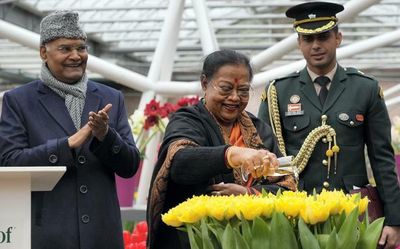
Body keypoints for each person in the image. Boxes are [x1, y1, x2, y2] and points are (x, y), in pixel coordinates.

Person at [258, 2, 400, 248]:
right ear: (299, 43)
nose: (316, 45)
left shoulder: (365, 88)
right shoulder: (278, 92)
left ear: (338, 38)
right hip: (298, 213)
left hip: (353, 213)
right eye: (307, 39)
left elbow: (382, 159)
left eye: (323, 37)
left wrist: (395, 220)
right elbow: (268, 160)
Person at [0, 10, 140, 249]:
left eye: (81, 48)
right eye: (65, 48)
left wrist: (106, 136)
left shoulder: (110, 97)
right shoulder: (19, 100)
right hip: (48, 237)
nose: (76, 56)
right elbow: (10, 162)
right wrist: (66, 146)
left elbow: (130, 167)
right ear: (43, 52)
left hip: (102, 236)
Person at [147, 49, 296, 249]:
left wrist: (248, 194)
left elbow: (288, 187)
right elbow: (180, 163)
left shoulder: (259, 130)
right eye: (225, 88)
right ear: (204, 84)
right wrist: (233, 154)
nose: (234, 97)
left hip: (251, 240)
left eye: (243, 90)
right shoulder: (187, 120)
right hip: (193, 240)